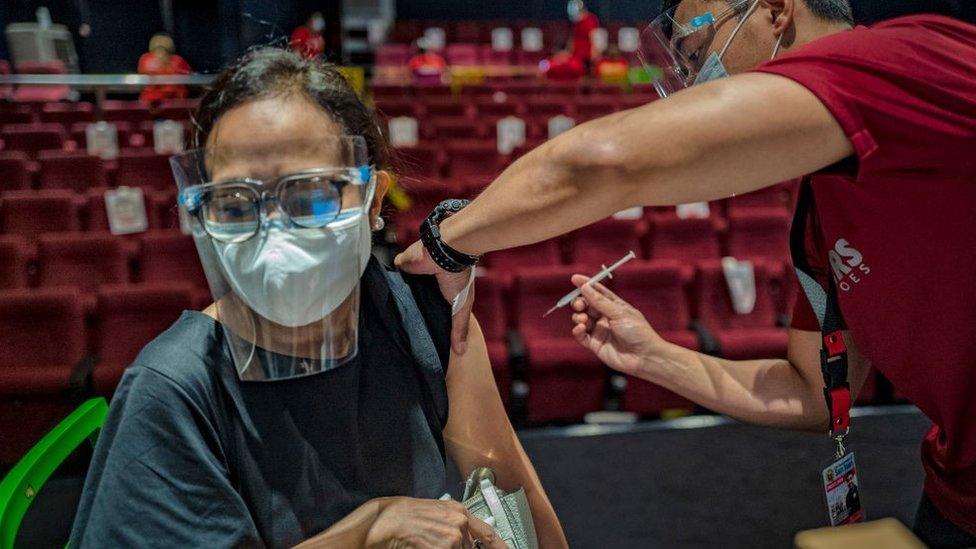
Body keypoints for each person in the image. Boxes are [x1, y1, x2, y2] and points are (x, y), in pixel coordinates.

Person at [395, 1, 976, 546]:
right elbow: (815, 393)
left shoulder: (902, 60)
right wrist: (651, 355)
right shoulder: (820, 209)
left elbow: (602, 162)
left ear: (774, 9)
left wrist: (448, 240)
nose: (697, 83)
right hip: (955, 494)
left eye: (699, 51)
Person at [69, 47, 567, 549]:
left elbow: (522, 517)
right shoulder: (177, 387)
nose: (274, 232)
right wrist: (367, 530)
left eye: (311, 196)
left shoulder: (423, 322)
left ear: (374, 199)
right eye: (236, 202)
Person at [137, 33, 191, 103]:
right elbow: (189, 74)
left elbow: (189, 76)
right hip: (172, 103)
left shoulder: (144, 58)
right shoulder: (145, 59)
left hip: (171, 102)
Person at [568, 0, 600, 69]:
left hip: (586, 53)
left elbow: (593, 36)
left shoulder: (590, 19)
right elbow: (574, 36)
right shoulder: (576, 22)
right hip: (576, 53)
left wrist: (594, 50)